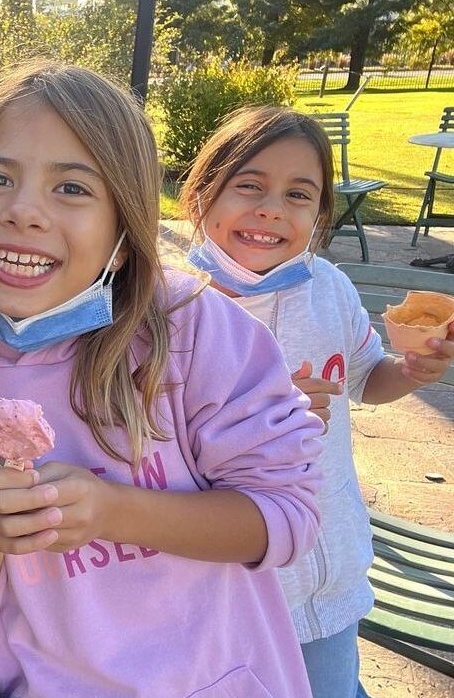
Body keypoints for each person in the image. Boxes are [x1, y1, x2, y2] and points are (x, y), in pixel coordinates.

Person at [0, 61, 323, 697]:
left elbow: (286, 517)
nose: (24, 212)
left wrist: (113, 511)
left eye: (71, 188)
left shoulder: (188, 330)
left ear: (124, 236)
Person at [181, 105, 454, 698]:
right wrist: (250, 416)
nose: (272, 209)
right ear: (201, 194)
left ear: (321, 214)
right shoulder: (171, 308)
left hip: (327, 574)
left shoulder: (328, 289)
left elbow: (365, 378)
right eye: (248, 186)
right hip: (226, 586)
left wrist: (410, 370)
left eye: (299, 195)